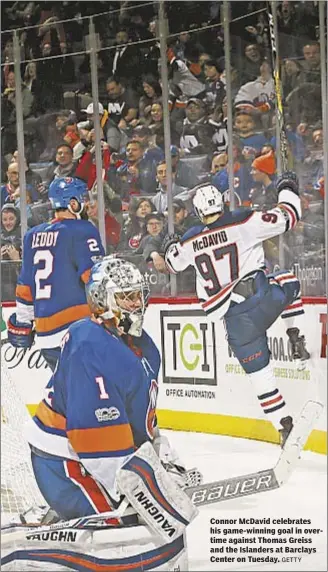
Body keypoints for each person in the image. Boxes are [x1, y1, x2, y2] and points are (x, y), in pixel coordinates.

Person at [25, 256, 200, 523]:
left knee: (142, 518)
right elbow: (93, 439)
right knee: (128, 523)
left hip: (91, 454)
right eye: (126, 297)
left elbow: (140, 417)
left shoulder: (143, 346)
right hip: (64, 463)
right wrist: (140, 492)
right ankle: (53, 518)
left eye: (139, 295)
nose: (137, 304)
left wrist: (162, 458)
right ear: (100, 299)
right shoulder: (88, 344)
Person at [164, 174, 310, 447]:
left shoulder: (189, 240)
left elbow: (173, 263)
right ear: (222, 201)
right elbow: (290, 216)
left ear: (197, 212)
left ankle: (284, 427)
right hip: (261, 300)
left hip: (234, 322)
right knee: (289, 280)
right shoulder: (244, 220)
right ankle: (295, 335)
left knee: (260, 377)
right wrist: (287, 187)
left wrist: (170, 245)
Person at [7, 177, 105, 371]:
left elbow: (25, 287)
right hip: (77, 331)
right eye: (83, 199)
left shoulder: (32, 235)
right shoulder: (83, 230)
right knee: (88, 395)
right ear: (73, 203)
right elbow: (94, 278)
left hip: (45, 336)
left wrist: (24, 321)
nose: (87, 203)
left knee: (64, 394)